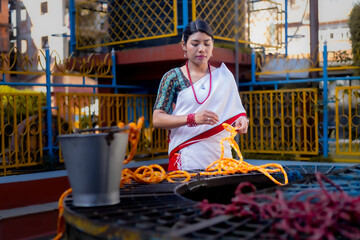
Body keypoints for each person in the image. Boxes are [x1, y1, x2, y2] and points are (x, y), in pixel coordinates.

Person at [152, 19, 248, 171]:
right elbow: (157, 119)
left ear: (212, 46)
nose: (201, 49)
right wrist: (192, 118)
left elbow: (236, 112)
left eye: (207, 43)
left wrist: (242, 121)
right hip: (186, 159)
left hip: (222, 160)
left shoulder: (224, 76)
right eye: (195, 44)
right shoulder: (173, 77)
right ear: (184, 45)